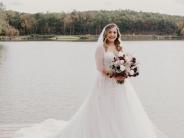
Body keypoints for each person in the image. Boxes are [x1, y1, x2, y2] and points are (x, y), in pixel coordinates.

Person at [13, 23, 168, 138]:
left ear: (117, 34)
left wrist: (127, 71)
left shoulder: (121, 47)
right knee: (103, 110)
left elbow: (126, 62)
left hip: (121, 85)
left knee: (122, 108)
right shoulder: (101, 48)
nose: (113, 35)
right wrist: (115, 75)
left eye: (115, 32)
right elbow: (99, 68)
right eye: (110, 32)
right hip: (105, 84)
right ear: (106, 34)